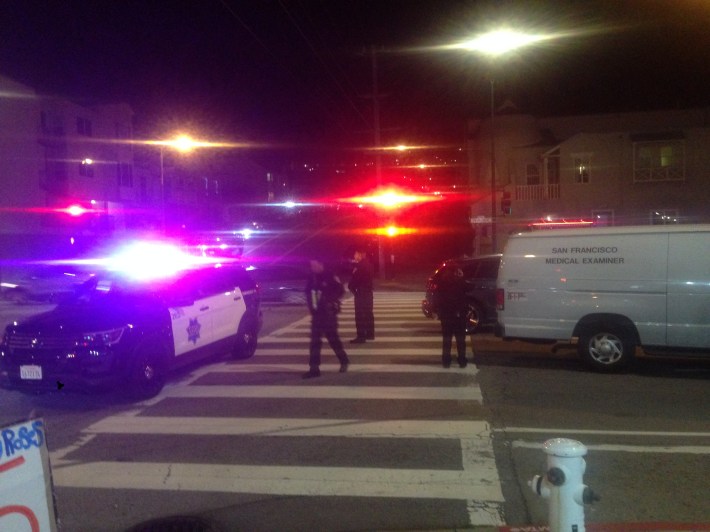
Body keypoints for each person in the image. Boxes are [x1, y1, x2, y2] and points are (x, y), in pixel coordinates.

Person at [303, 258, 350, 378]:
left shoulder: (330, 275)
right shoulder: (311, 277)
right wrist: (310, 307)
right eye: (311, 265)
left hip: (329, 315)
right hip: (317, 315)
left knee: (333, 340)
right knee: (314, 342)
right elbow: (308, 292)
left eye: (314, 265)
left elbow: (340, 290)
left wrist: (329, 299)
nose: (312, 267)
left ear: (321, 264)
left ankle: (344, 360)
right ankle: (314, 369)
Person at [433, 266, 468, 368]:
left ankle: (446, 361)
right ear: (456, 272)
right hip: (459, 315)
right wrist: (462, 277)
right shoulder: (460, 282)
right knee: (460, 339)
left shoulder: (442, 283)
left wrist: (437, 311)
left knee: (447, 339)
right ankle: (462, 361)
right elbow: (470, 287)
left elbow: (437, 298)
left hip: (446, 316)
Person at [347, 249, 375, 343]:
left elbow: (355, 279)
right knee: (368, 314)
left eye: (355, 254)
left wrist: (350, 287)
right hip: (368, 293)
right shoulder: (370, 265)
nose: (354, 256)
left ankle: (361, 336)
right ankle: (370, 334)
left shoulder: (359, 266)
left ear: (360, 255)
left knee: (360, 315)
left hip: (361, 293)